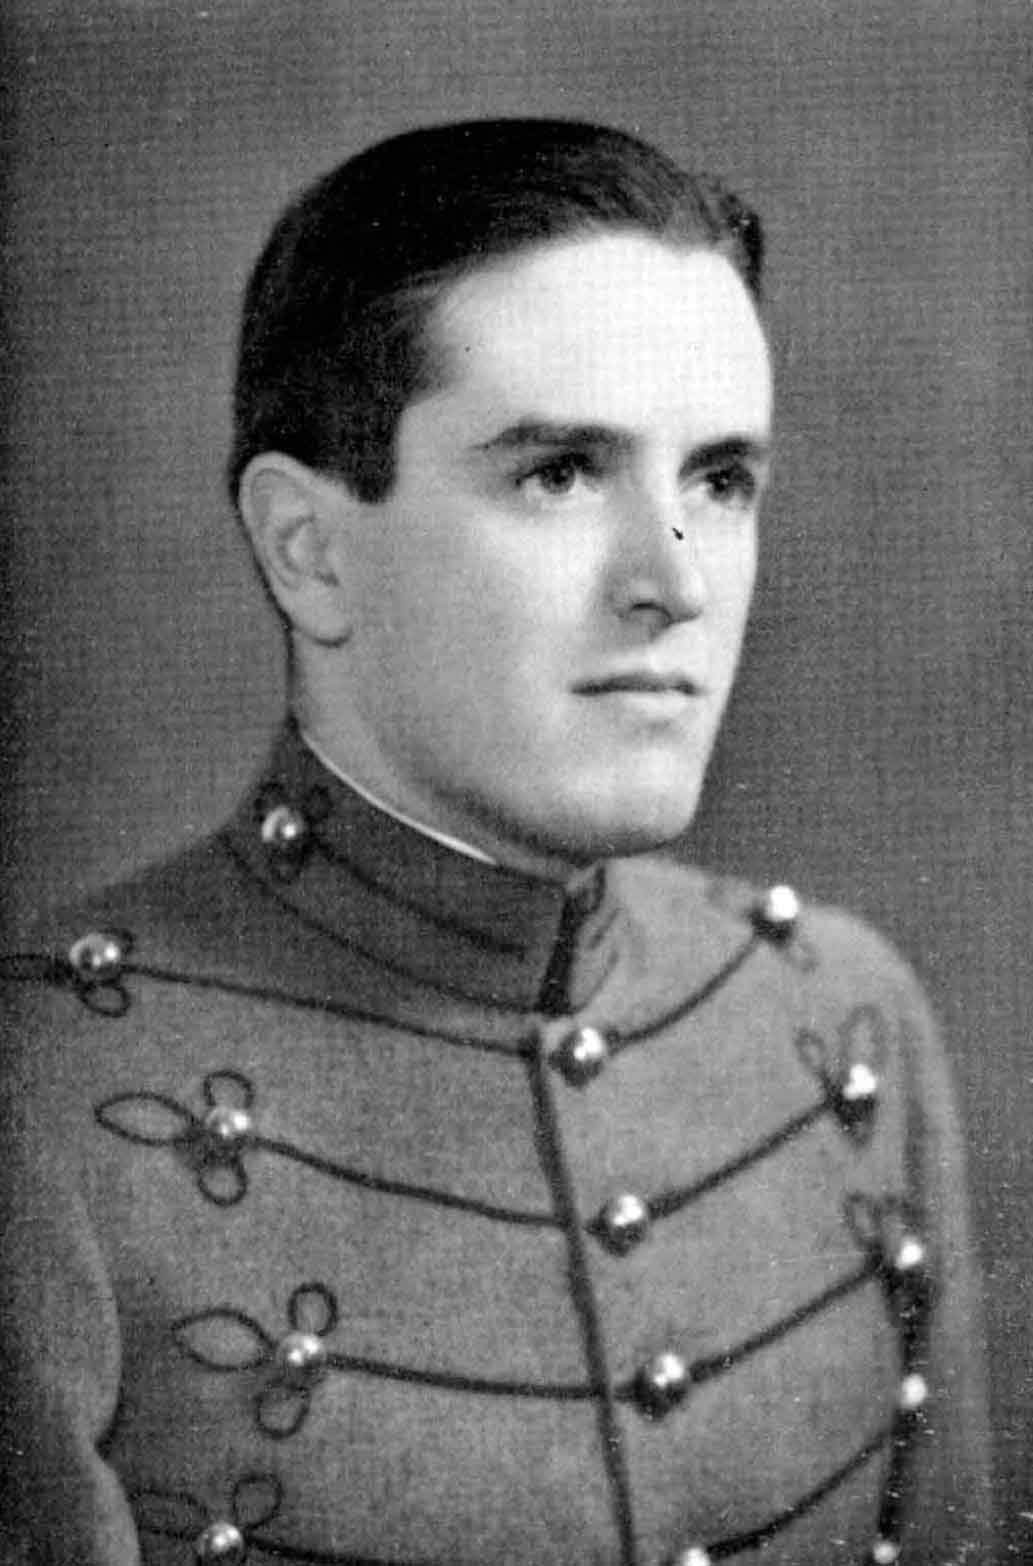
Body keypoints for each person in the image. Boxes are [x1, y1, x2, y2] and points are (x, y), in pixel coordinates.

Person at [0, 118, 992, 1566]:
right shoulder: (41, 1108)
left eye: (719, 481)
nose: (674, 584)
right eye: (561, 473)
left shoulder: (844, 1019)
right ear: (308, 551)